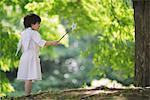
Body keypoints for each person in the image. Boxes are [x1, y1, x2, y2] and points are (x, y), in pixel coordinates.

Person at [16, 13, 59, 96]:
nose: (39, 25)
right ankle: (27, 94)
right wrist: (53, 42)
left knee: (27, 78)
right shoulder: (34, 33)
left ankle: (27, 94)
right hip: (31, 56)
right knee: (29, 77)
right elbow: (41, 42)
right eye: (38, 23)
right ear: (32, 24)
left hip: (25, 56)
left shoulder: (24, 33)